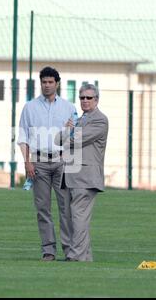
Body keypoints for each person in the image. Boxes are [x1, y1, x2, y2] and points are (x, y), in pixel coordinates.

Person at [18, 66, 77, 261]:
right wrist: (27, 162)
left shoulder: (69, 108)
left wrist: (71, 163)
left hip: (61, 162)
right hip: (39, 163)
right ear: (40, 83)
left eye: (51, 82)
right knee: (43, 209)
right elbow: (23, 136)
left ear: (57, 84)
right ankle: (49, 251)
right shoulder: (30, 107)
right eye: (44, 82)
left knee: (66, 208)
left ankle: (70, 251)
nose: (47, 85)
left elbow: (76, 138)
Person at [56, 83, 108, 261]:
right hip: (71, 176)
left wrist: (69, 132)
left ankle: (75, 256)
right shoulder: (80, 119)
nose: (85, 101)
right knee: (73, 219)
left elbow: (76, 140)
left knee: (78, 218)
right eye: (82, 98)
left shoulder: (100, 120)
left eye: (89, 98)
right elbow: (58, 140)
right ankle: (85, 257)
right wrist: (67, 131)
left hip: (86, 177)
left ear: (96, 100)